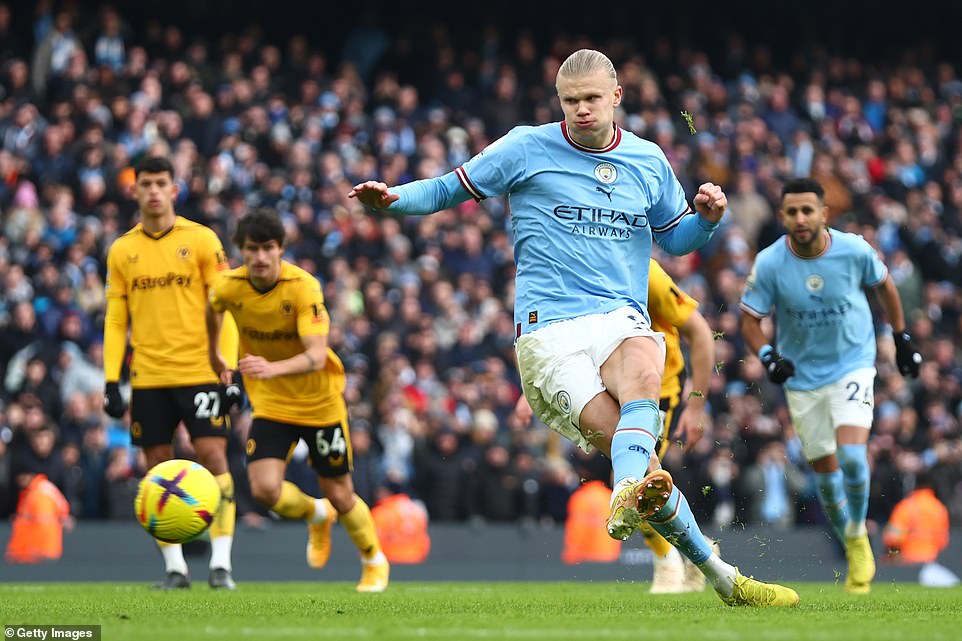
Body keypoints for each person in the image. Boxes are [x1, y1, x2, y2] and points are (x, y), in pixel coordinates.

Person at [351, 48, 797, 607]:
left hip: (620, 318)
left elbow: (677, 239)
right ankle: (715, 570)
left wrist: (707, 219)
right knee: (645, 464)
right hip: (548, 332)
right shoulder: (525, 147)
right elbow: (447, 188)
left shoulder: (647, 160)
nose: (581, 110)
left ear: (616, 96)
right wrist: (393, 200)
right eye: (570, 101)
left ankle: (704, 563)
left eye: (591, 99)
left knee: (644, 365)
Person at [740, 176, 923, 594]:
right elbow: (749, 320)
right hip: (803, 381)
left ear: (824, 213)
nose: (800, 219)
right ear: (783, 216)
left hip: (853, 366)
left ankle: (858, 537)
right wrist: (769, 357)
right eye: (792, 211)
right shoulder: (769, 262)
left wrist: (901, 337)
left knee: (854, 460)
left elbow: (885, 287)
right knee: (826, 475)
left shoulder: (854, 249)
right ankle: (849, 538)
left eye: (808, 210)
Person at [206, 209, 390, 592]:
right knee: (263, 491)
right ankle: (315, 512)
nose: (259, 257)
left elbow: (316, 356)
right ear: (241, 251)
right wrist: (215, 356)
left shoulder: (303, 287)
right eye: (252, 249)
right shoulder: (228, 286)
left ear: (281, 250)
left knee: (340, 492)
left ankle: (373, 560)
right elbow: (213, 311)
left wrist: (270, 369)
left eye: (267, 249)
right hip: (273, 406)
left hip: (320, 403)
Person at [517, 258, 717, 593]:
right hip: (601, 384)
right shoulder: (570, 266)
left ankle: (668, 561)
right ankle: (695, 550)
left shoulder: (644, 272)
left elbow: (700, 334)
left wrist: (695, 405)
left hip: (656, 390)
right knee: (628, 481)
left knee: (631, 478)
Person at [103, 155, 241, 590]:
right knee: (155, 470)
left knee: (215, 458)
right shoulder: (123, 250)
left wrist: (229, 370)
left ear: (175, 189)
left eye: (162, 183)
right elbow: (115, 319)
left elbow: (227, 305)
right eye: (147, 184)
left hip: (200, 370)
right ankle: (175, 569)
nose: (155, 191)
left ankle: (221, 564)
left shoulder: (202, 240)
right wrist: (111, 380)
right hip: (148, 377)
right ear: (135, 190)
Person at [882, 471, 950, 564]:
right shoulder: (940, 508)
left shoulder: (905, 506)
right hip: (931, 560)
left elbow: (892, 537)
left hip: (907, 560)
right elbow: (942, 541)